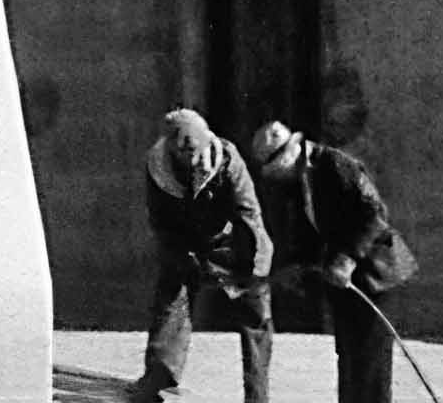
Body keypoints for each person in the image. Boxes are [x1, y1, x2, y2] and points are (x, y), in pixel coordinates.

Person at [254, 117, 415, 403]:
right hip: (342, 281)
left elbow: (374, 214)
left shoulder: (336, 165)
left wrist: (347, 259)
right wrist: (298, 266)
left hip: (374, 272)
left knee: (370, 360)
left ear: (291, 155)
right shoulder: (299, 181)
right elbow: (312, 232)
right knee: (349, 356)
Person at [140, 105, 277, 403]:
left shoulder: (227, 159)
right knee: (171, 305)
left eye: (196, 150)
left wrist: (253, 268)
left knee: (255, 316)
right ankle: (157, 387)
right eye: (183, 151)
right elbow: (160, 222)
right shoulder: (157, 166)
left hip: (232, 243)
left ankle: (258, 397)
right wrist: (181, 257)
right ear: (171, 148)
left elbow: (249, 214)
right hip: (185, 245)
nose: (192, 157)